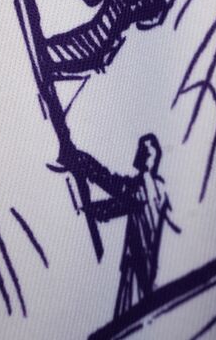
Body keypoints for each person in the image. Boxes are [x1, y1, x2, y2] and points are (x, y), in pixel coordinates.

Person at [72, 134, 180, 318]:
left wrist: (80, 159)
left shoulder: (146, 186)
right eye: (142, 150)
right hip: (140, 262)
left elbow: (111, 186)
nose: (141, 154)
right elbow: (116, 199)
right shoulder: (152, 187)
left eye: (145, 151)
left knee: (137, 313)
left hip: (143, 263)